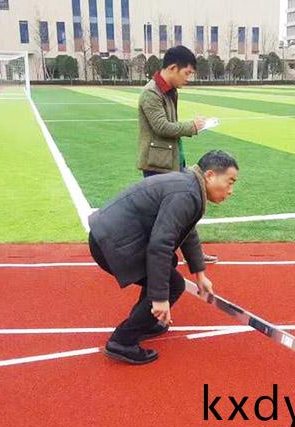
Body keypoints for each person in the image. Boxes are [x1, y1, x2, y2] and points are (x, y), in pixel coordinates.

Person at [89, 150, 239, 365]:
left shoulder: (190, 185)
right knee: (173, 284)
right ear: (210, 175)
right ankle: (122, 341)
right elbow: (160, 244)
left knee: (169, 266)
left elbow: (187, 231)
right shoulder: (187, 193)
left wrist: (200, 274)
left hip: (111, 237)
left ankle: (147, 321)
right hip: (112, 243)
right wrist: (160, 298)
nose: (231, 191)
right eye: (230, 182)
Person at [136, 45, 219, 264]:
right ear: (173, 68)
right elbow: (162, 127)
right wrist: (193, 126)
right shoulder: (151, 93)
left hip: (173, 160)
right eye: (187, 73)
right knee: (160, 217)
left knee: (185, 210)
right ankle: (149, 258)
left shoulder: (169, 90)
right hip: (157, 165)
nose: (188, 78)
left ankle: (194, 255)